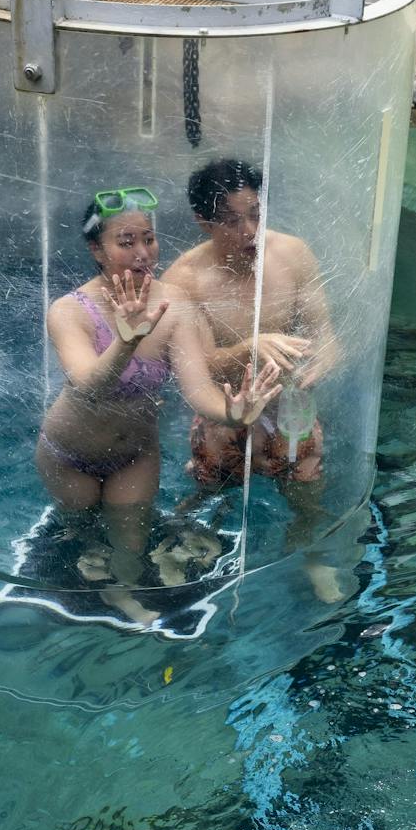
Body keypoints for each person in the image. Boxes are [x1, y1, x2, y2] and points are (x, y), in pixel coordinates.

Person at [37, 186, 281, 624]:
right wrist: (125, 343)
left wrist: (235, 412)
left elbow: (197, 390)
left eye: (148, 239)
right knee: (81, 535)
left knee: (131, 539)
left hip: (135, 453)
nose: (142, 252)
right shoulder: (68, 311)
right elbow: (89, 385)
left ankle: (124, 593)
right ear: (97, 249)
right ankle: (83, 599)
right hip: (68, 455)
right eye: (125, 242)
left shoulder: (174, 305)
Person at [160, 158, 346, 602]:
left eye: (256, 215)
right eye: (232, 221)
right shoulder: (184, 280)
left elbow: (326, 334)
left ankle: (310, 557)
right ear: (203, 222)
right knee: (208, 496)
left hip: (290, 408)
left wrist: (325, 358)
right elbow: (196, 369)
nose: (250, 232)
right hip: (224, 413)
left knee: (307, 493)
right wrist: (249, 348)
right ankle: (188, 556)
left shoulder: (293, 254)